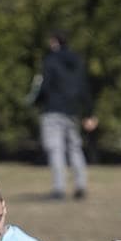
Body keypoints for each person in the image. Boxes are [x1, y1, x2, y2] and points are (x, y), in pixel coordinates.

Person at [36, 30, 97, 200]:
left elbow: (45, 86)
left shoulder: (50, 61)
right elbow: (84, 88)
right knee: (75, 148)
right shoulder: (76, 61)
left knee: (56, 149)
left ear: (54, 42)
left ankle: (59, 188)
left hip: (53, 111)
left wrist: (36, 100)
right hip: (72, 111)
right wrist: (89, 112)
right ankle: (80, 185)